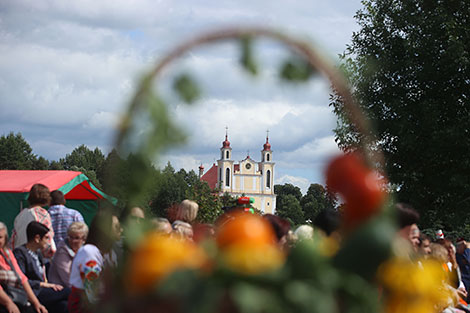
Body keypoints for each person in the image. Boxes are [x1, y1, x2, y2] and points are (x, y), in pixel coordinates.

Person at [13, 222, 69, 313]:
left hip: (42, 291)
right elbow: (21, 280)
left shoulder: (37, 253)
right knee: (69, 292)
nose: (48, 242)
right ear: (37, 238)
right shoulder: (20, 254)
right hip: (33, 292)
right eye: (46, 238)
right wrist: (43, 284)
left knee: (63, 305)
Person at [68, 209, 117, 313]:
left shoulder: (108, 254)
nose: (121, 230)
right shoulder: (89, 252)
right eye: (116, 227)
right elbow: (93, 293)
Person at [0, 222, 47, 313]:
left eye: (0, 237)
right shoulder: (21, 252)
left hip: (16, 295)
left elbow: (22, 278)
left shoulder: (7, 253)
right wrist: (9, 303)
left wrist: (36, 303)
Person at [10, 185, 56, 258]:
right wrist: (51, 252)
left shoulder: (20, 215)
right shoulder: (42, 213)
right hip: (35, 256)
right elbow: (47, 236)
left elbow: (13, 238)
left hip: (20, 254)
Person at [48, 222, 88, 288]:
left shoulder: (85, 250)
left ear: (84, 239)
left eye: (77, 238)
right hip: (61, 290)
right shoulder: (62, 251)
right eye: (71, 237)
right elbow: (68, 280)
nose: (73, 241)